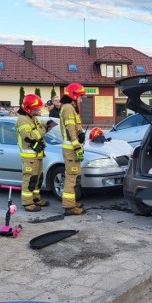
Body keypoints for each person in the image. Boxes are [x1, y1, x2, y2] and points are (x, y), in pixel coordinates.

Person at [16, 93, 49, 212]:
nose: (39, 110)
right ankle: (27, 203)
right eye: (36, 109)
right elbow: (29, 136)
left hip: (37, 155)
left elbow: (40, 125)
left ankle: (36, 199)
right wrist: (44, 130)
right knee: (29, 180)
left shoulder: (32, 117)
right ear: (28, 108)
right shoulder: (23, 119)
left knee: (38, 179)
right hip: (29, 156)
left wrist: (47, 124)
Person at [59, 83, 87, 216]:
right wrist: (77, 145)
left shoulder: (69, 107)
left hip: (72, 148)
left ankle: (72, 202)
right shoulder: (69, 108)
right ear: (74, 96)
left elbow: (74, 128)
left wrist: (80, 134)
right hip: (71, 149)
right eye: (81, 96)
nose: (81, 99)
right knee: (71, 177)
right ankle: (69, 207)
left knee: (74, 176)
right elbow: (70, 130)